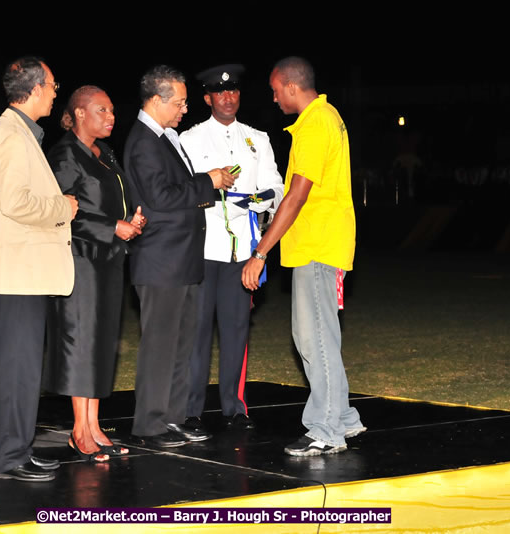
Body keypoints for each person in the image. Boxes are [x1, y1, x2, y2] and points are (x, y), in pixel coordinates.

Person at [241, 57, 366, 456]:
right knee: (320, 336)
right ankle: (344, 418)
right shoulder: (329, 116)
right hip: (324, 243)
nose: (274, 98)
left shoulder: (315, 122)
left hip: (317, 245)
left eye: (276, 91)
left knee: (314, 341)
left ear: (291, 86)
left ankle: (326, 429)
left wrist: (261, 252)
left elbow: (297, 194)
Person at [0, 56, 78, 481]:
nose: (56, 91)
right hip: (16, 274)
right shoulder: (13, 136)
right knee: (17, 369)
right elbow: (16, 202)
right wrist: (62, 208)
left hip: (24, 274)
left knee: (24, 369)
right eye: (52, 85)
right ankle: (10, 458)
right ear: (35, 89)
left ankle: (19, 449)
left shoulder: (19, 132)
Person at [123, 65, 236, 448]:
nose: (185, 109)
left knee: (180, 344)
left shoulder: (164, 136)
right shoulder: (143, 141)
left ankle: (172, 419)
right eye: (180, 102)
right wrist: (209, 182)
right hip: (160, 262)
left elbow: (174, 187)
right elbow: (161, 198)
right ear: (156, 100)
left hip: (181, 260)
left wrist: (204, 178)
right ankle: (150, 426)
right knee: (160, 346)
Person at [44, 86, 146, 461]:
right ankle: (78, 430)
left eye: (113, 110)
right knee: (80, 342)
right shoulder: (64, 154)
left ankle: (94, 424)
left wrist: (129, 220)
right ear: (80, 113)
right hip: (80, 260)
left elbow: (110, 201)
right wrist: (111, 227)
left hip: (108, 261)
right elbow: (62, 211)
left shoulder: (105, 155)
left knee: (102, 341)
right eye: (102, 109)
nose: (111, 116)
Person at [179, 64, 283, 431]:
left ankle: (233, 407)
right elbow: (183, 191)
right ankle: (190, 410)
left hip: (242, 252)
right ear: (207, 98)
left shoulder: (258, 139)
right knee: (198, 332)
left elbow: (277, 186)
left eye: (234, 90)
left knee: (237, 329)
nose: (228, 97)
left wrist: (258, 201)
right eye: (219, 92)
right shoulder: (189, 140)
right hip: (205, 249)